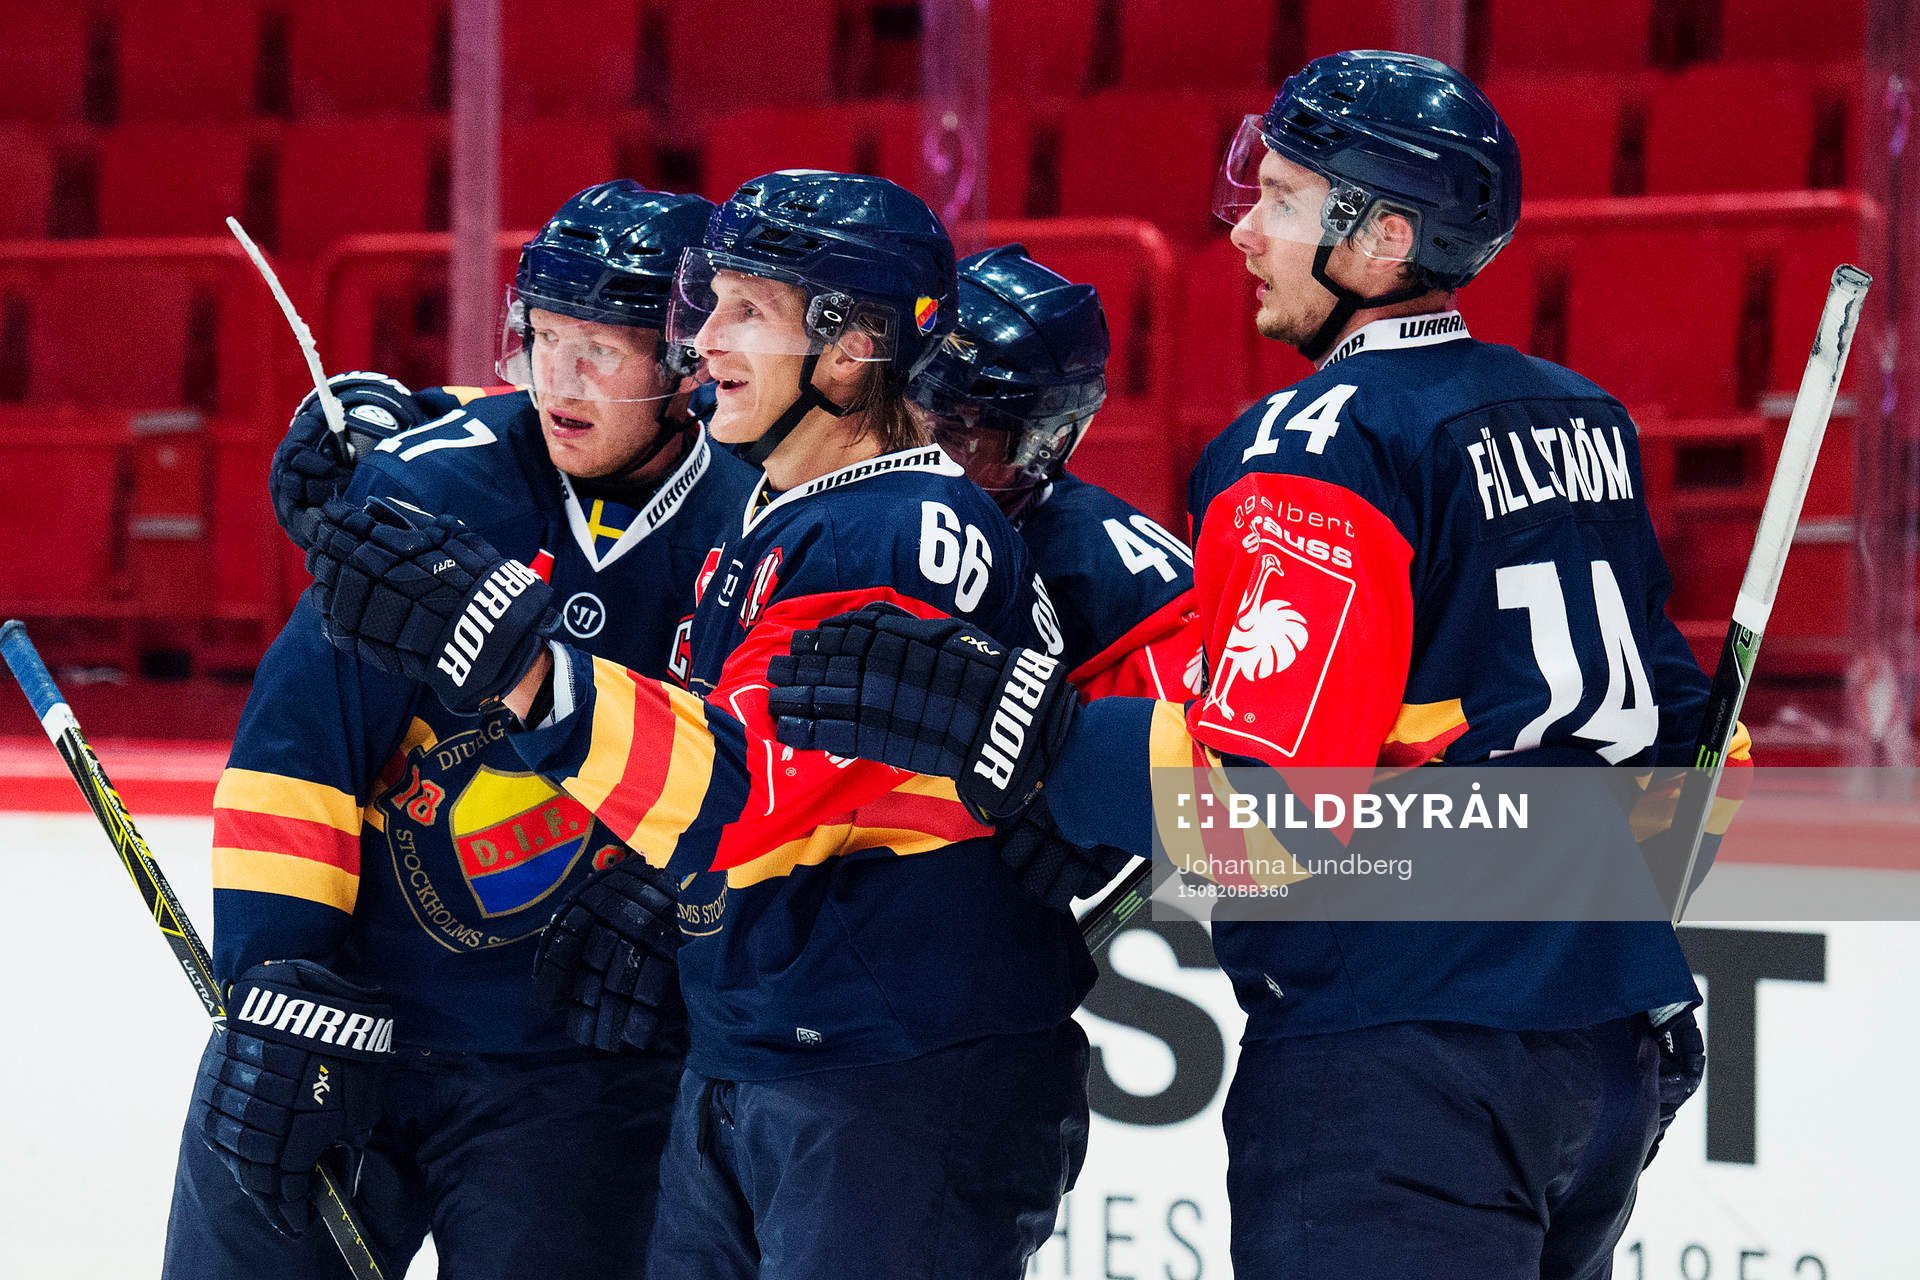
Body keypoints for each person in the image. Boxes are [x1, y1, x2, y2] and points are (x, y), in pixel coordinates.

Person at [763, 52, 1752, 1278]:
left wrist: (1033, 738)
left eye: (1283, 199)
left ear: (1384, 238)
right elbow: (1694, 760)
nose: (1243, 228)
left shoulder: (1315, 445)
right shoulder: (1577, 415)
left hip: (1404, 1060)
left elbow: (1266, 816)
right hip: (1609, 1039)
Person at [300, 170, 1094, 1280]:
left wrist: (525, 666)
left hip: (894, 1078)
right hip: (764, 1057)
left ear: (853, 346)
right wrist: (414, 429)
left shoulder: (902, 532)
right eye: (706, 302)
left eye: (744, 311)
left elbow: (745, 795)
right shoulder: (773, 517)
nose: (700, 340)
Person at [165, 180, 757, 1278]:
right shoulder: (436, 487)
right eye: (542, 338)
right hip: (352, 1040)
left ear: (687, 365)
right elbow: (296, 760)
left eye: (602, 350)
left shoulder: (753, 525)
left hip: (578, 1077)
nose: (558, 381)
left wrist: (694, 907)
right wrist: (276, 988)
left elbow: (770, 785)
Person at [915, 243, 1202, 908]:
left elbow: (1224, 788)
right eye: (915, 412)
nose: (930, 454)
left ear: (1045, 441)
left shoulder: (1107, 578)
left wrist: (1092, 798)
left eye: (963, 435)